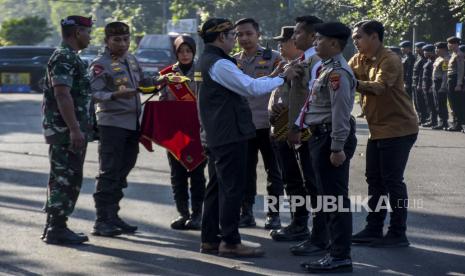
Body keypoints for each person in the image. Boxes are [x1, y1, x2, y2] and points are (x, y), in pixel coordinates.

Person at [196, 17, 293, 257]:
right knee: (231, 189)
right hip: (229, 134)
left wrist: (274, 75)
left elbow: (246, 84)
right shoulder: (220, 63)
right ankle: (230, 241)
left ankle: (210, 239)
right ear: (221, 37)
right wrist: (282, 78)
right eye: (232, 36)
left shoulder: (208, 60)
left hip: (217, 133)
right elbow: (250, 88)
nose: (235, 40)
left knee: (217, 188)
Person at [293, 21, 357, 273]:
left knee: (334, 200)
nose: (315, 42)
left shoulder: (337, 73)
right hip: (321, 137)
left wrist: (337, 146)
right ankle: (334, 251)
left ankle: (340, 256)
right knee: (327, 198)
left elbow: (341, 113)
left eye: (319, 39)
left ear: (333, 43)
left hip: (331, 138)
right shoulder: (327, 69)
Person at [350, 20, 418, 248]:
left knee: (392, 181)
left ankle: (398, 232)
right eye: (353, 38)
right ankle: (374, 228)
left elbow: (379, 87)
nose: (355, 41)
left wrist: (350, 82)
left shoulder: (390, 59)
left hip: (399, 128)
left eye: (359, 37)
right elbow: (343, 71)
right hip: (377, 129)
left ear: (374, 37)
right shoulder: (358, 59)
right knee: (374, 180)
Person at [272, 16, 330, 259]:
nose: (294, 38)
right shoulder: (301, 60)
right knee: (306, 183)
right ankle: (307, 230)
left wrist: (296, 127)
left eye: (297, 33)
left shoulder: (316, 62)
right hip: (299, 128)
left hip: (311, 130)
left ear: (310, 35)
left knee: (316, 186)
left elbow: (312, 98)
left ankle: (320, 237)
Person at [89, 22, 148, 237]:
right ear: (106, 41)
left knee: (123, 171)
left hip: (133, 124)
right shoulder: (100, 64)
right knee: (109, 172)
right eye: (117, 40)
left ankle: (113, 215)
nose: (123, 44)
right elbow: (93, 93)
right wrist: (114, 95)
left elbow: (142, 82)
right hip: (111, 124)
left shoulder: (131, 60)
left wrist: (163, 79)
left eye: (126, 39)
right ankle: (101, 221)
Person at [41, 15, 94, 245]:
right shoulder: (64, 57)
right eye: (88, 32)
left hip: (69, 130)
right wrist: (74, 129)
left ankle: (55, 225)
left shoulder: (71, 57)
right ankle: (56, 228)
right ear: (78, 33)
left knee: (67, 177)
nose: (90, 36)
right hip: (65, 131)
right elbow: (62, 94)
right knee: (64, 178)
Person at [233, 18, 284, 230]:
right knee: (246, 172)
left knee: (275, 172)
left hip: (269, 124)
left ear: (258, 34)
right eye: (239, 35)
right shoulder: (232, 62)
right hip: (244, 126)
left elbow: (282, 88)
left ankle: (274, 215)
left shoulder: (274, 59)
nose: (244, 38)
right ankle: (247, 213)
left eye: (248, 33)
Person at [158, 35, 207, 230]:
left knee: (196, 173)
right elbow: (162, 101)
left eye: (188, 51)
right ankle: (182, 213)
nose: (185, 55)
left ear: (194, 51)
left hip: (198, 130)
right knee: (177, 174)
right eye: (181, 51)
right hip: (176, 132)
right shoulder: (168, 73)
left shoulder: (202, 71)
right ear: (175, 52)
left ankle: (197, 214)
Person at [446, 36, 465, 132]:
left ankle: (462, 123)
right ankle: (457, 124)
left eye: (450, 43)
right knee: (453, 104)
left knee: (458, 104)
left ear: (455, 44)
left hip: (455, 80)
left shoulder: (459, 54)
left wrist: (459, 83)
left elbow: (461, 70)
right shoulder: (452, 54)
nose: (448, 45)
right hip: (450, 80)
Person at [432, 42, 450, 130]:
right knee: (437, 103)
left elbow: (445, 74)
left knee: (441, 103)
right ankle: (441, 121)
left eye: (437, 48)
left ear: (443, 49)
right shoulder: (438, 58)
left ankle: (444, 122)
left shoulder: (446, 59)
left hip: (441, 83)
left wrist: (443, 86)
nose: (436, 50)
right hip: (435, 82)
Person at [421, 44, 438, 128]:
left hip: (429, 85)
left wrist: (432, 86)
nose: (424, 53)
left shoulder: (434, 61)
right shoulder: (428, 61)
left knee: (432, 103)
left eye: (426, 51)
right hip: (425, 85)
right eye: (424, 51)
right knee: (428, 103)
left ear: (431, 52)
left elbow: (433, 75)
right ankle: (431, 118)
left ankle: (434, 120)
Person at [412, 41, 429, 124]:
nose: (416, 49)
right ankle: (420, 117)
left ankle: (423, 118)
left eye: (418, 48)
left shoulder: (424, 59)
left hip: (419, 83)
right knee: (416, 102)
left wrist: (419, 84)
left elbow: (421, 73)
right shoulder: (418, 57)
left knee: (421, 102)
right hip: (414, 82)